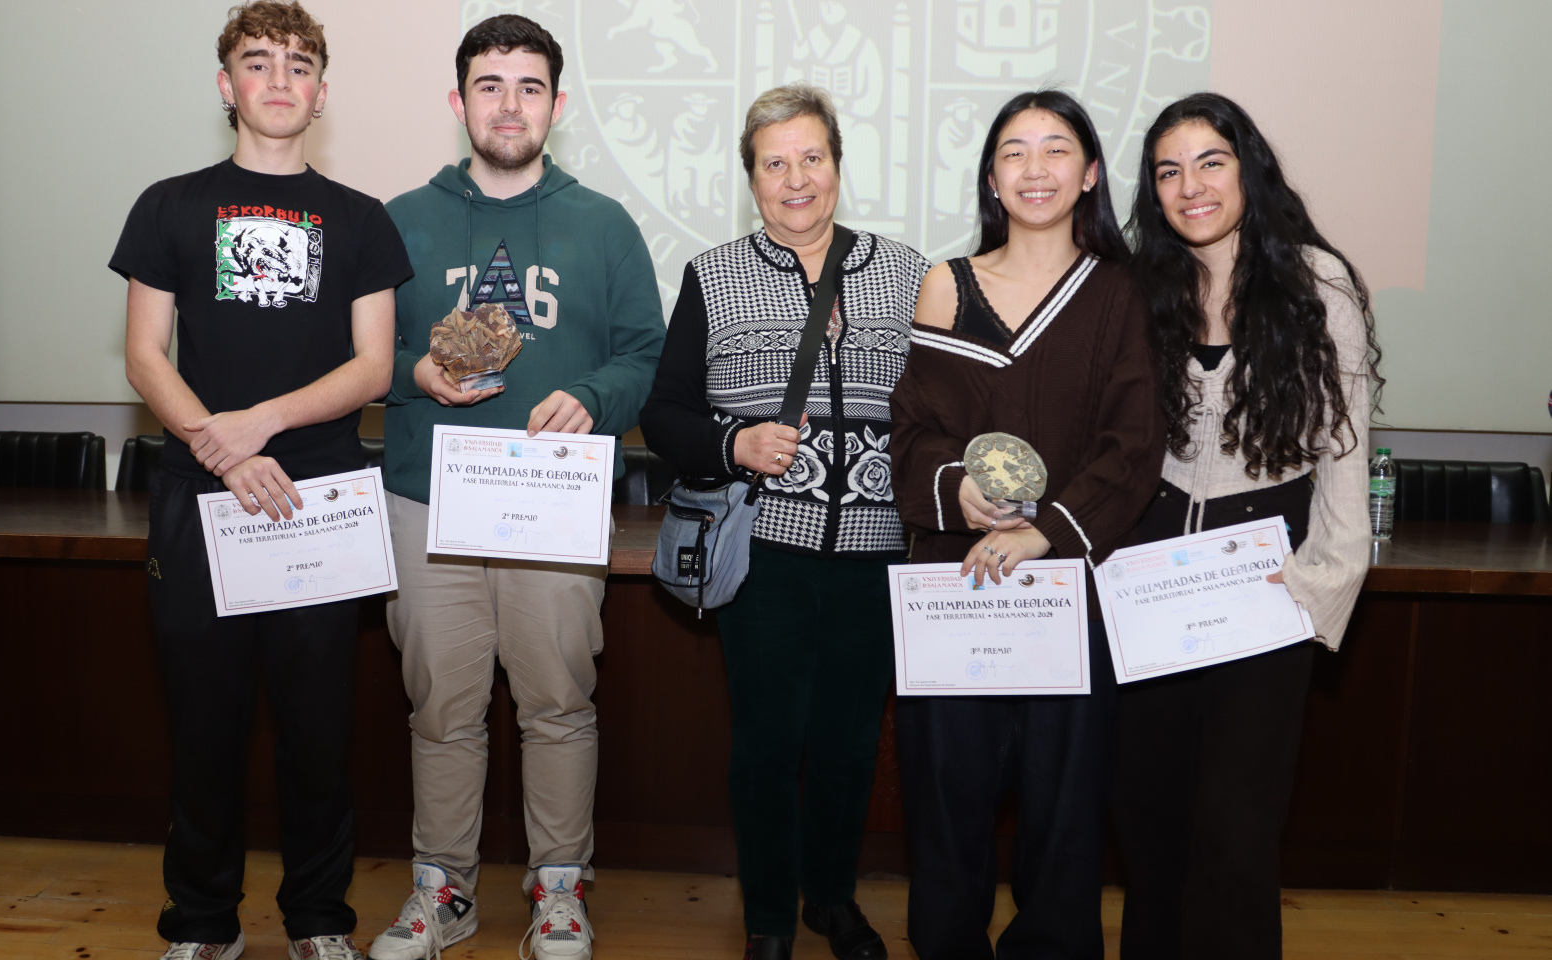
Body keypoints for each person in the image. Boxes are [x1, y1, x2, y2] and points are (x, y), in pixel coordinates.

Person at [110, 4, 410, 959]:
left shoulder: (363, 220)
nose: (280, 79)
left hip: (319, 505)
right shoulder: (168, 203)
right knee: (204, 732)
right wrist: (224, 451)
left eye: (299, 64)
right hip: (199, 504)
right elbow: (144, 356)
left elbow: (373, 369)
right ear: (226, 84)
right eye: (258, 61)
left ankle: (320, 924)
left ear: (321, 89)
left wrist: (265, 424)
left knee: (319, 737)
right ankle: (201, 926)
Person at [368, 15, 665, 960]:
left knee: (558, 706)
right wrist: (414, 371)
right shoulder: (401, 220)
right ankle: (441, 889)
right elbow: (360, 355)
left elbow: (645, 354)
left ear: (558, 105)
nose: (509, 103)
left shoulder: (604, 224)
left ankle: (559, 891)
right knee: (442, 709)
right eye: (489, 85)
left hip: (553, 503)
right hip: (427, 503)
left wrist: (590, 395)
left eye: (529, 86)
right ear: (459, 103)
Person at [639, 83, 930, 960]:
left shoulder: (912, 273)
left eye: (812, 158)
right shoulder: (713, 275)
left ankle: (831, 903)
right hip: (764, 552)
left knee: (848, 746)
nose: (796, 179)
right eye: (776, 164)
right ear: (751, 179)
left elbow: (942, 413)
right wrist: (734, 442)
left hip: (876, 556)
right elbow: (664, 416)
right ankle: (768, 917)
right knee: (766, 744)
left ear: (838, 166)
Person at [888, 90, 1164, 959]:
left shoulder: (1126, 294)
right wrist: (956, 491)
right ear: (992, 177)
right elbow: (912, 432)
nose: (1034, 168)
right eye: (1014, 150)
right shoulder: (946, 284)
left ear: (1089, 175)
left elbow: (1135, 441)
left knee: (1065, 806)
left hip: (1071, 589)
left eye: (1056, 150)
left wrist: (1044, 530)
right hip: (955, 583)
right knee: (944, 801)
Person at [1111, 92, 1378, 960]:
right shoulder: (1139, 289)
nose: (1190, 186)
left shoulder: (1315, 281)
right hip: (1150, 577)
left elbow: (1344, 443)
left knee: (1235, 827)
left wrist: (1319, 583)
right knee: (1150, 819)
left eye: (1210, 162)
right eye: (1168, 171)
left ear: (1248, 168)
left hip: (1265, 582)